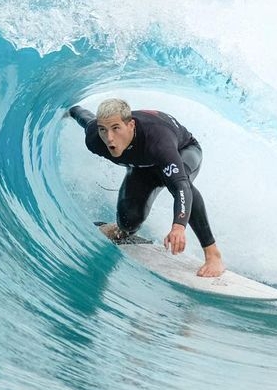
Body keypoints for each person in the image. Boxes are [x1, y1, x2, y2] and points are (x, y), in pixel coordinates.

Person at [68, 98, 224, 277]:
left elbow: (181, 187)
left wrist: (178, 227)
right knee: (128, 221)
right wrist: (71, 109)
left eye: (116, 128)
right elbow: (84, 116)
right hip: (143, 167)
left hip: (183, 151)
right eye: (103, 129)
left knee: (182, 182)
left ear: (131, 125)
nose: (109, 137)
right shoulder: (95, 137)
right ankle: (123, 230)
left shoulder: (159, 142)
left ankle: (212, 253)